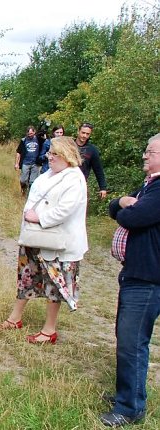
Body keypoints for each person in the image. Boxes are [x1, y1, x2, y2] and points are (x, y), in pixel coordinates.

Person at [0, 136, 88, 343]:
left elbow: (66, 209)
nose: (50, 157)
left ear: (68, 155)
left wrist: (40, 218)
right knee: (27, 278)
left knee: (54, 285)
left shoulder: (74, 177)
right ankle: (15, 318)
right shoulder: (48, 174)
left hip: (58, 243)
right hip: (35, 237)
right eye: (50, 153)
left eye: (55, 154)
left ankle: (49, 330)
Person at [99, 134, 160, 427]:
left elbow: (133, 218)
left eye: (150, 152)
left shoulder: (159, 189)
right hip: (135, 272)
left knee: (132, 341)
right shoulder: (149, 186)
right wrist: (121, 202)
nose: (144, 156)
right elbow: (115, 207)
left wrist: (123, 205)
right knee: (125, 337)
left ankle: (130, 408)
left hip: (149, 276)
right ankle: (128, 394)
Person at [75, 122, 108, 199]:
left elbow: (98, 169)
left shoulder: (92, 150)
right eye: (83, 133)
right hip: (65, 181)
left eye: (87, 134)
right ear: (78, 131)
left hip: (80, 184)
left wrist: (103, 188)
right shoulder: (69, 145)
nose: (84, 136)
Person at [15, 126, 43, 195]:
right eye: (28, 134)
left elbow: (45, 141)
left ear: (34, 132)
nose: (30, 135)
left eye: (31, 133)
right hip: (25, 163)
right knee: (23, 180)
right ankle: (23, 190)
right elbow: (18, 152)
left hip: (35, 163)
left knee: (32, 181)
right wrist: (17, 163)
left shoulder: (38, 139)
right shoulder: (24, 140)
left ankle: (30, 195)